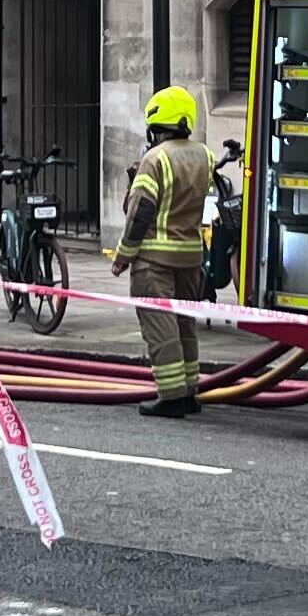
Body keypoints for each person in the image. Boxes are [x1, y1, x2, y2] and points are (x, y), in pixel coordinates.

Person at [113, 86, 222, 420]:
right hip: (190, 257)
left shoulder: (155, 159)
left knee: (161, 329)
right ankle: (189, 392)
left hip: (155, 262)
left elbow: (140, 212)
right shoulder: (205, 154)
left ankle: (171, 397)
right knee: (184, 326)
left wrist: (123, 256)